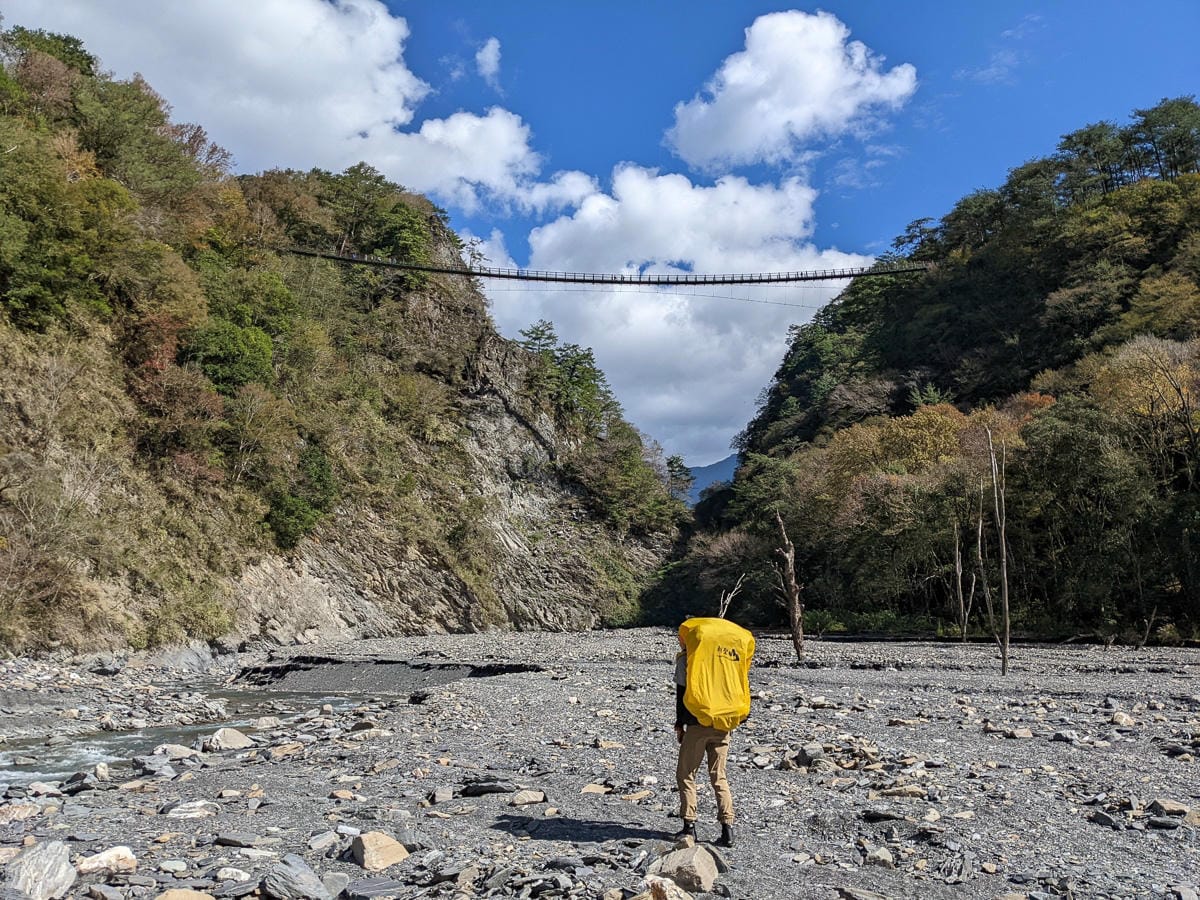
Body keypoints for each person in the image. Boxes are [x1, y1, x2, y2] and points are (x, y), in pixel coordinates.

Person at [673, 616, 755, 848]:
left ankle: (689, 827)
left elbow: (681, 694)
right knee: (718, 776)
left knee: (686, 774)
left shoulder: (687, 659)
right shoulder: (725, 661)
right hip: (724, 724)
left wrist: (680, 724)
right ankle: (727, 829)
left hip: (698, 724)